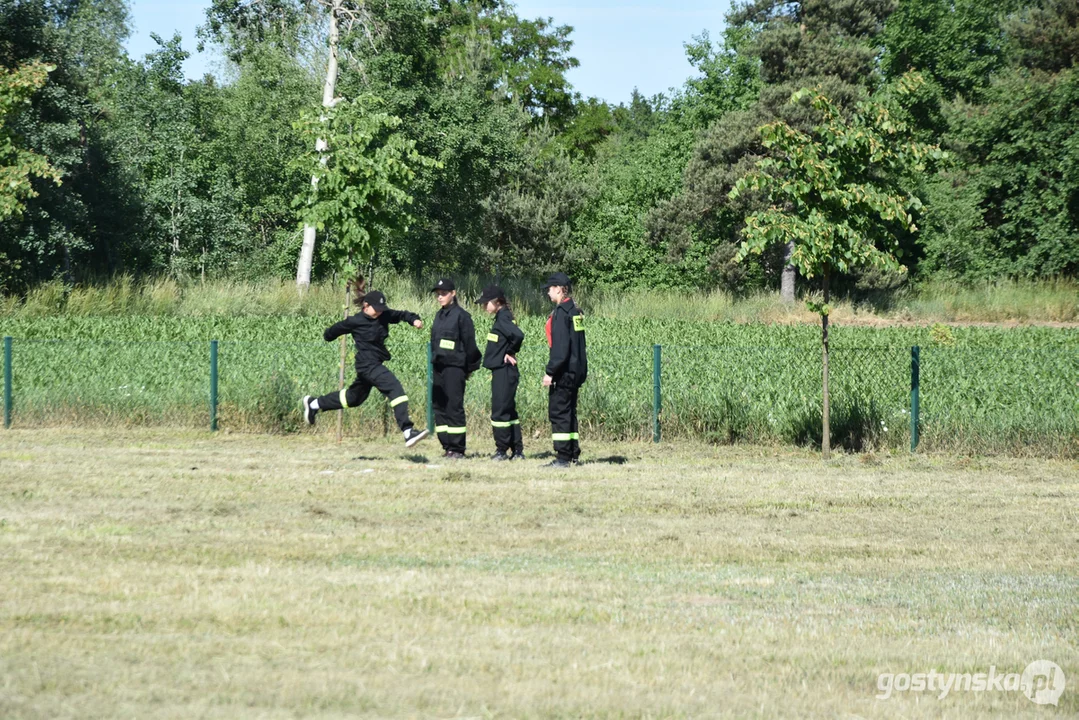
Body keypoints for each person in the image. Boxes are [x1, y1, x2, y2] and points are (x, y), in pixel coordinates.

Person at [301, 284, 428, 448]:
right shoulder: (355, 321)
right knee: (395, 389)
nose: (380, 312)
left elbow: (402, 315)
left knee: (353, 398)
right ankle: (408, 431)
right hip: (367, 365)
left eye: (382, 308)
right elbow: (332, 332)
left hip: (372, 366)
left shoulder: (383, 315)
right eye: (377, 308)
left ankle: (314, 404)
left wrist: (414, 320)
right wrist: (329, 334)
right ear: (365, 306)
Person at [430, 278, 482, 458]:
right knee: (439, 407)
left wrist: (468, 369)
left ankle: (458, 448)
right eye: (438, 294)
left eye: (443, 293)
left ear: (453, 293)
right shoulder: (439, 315)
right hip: (438, 368)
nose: (440, 297)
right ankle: (447, 446)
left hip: (455, 368)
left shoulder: (462, 316)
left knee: (454, 407)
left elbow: (470, 345)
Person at [542, 271, 587, 467]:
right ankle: (572, 454)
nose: (548, 293)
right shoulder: (575, 312)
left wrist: (550, 372)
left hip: (564, 372)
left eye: (550, 289)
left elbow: (560, 349)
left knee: (559, 412)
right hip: (577, 370)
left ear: (560, 289)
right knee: (570, 412)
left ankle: (562, 457)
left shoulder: (561, 313)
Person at [477, 284, 525, 461]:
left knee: (500, 412)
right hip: (503, 371)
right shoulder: (502, 317)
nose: (483, 307)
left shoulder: (503, 318)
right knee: (509, 411)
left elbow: (518, 335)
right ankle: (517, 450)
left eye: (485, 303)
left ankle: (502, 450)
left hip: (504, 371)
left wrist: (511, 351)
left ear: (497, 302)